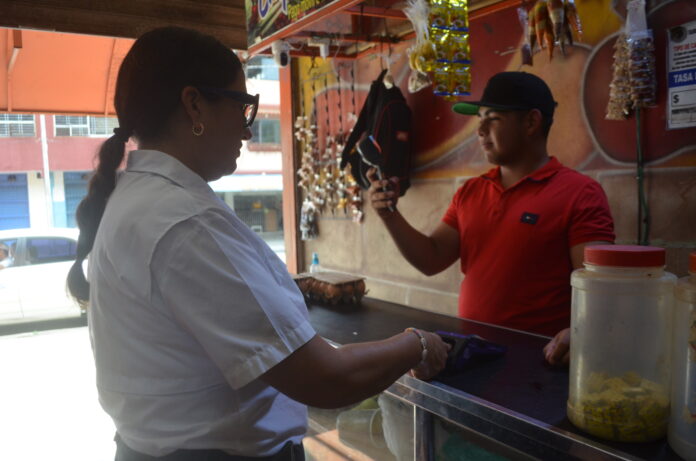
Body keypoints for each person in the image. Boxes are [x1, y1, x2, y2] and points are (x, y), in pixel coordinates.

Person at [66, 27, 449, 461]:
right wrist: (417, 342)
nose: (247, 132)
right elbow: (324, 378)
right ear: (194, 105)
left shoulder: (139, 198)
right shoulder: (184, 221)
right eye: (243, 107)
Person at [367, 71, 614, 367]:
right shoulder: (471, 192)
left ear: (531, 122)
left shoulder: (580, 193)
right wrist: (389, 215)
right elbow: (431, 259)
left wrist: (581, 331)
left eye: (493, 118)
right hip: (471, 355)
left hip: (539, 365)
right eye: (480, 118)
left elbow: (601, 289)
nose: (480, 129)